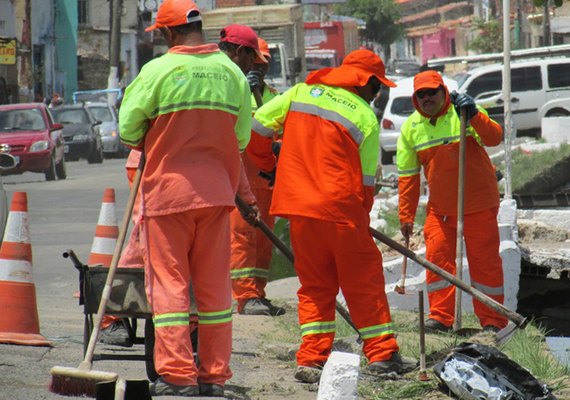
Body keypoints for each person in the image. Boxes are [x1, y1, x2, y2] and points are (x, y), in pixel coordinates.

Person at [247, 49, 417, 383]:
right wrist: (360, 218)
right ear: (365, 81)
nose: (378, 93)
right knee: (362, 283)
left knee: (314, 286)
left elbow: (256, 127)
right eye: (377, 86)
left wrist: (268, 166)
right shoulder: (365, 118)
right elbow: (367, 184)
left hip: (299, 209)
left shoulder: (300, 92)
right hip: (341, 211)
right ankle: (382, 354)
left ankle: (311, 358)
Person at [118, 0, 252, 396]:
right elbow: (240, 139)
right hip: (216, 196)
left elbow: (128, 131)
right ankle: (213, 376)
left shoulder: (157, 71)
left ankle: (178, 378)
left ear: (166, 32)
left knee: (170, 288)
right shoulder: (232, 73)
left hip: (168, 195)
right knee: (213, 291)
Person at [397, 70, 508, 333]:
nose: (426, 98)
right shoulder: (411, 128)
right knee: (436, 260)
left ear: (443, 91)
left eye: (431, 92)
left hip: (479, 202)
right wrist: (406, 216)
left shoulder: (464, 111)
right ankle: (440, 317)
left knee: (485, 265)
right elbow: (408, 177)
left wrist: (475, 116)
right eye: (420, 95)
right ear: (415, 99)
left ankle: (492, 321)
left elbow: (494, 138)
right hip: (440, 209)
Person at [228, 38, 285, 316]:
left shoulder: (274, 96)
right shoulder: (234, 92)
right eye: (256, 62)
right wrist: (244, 91)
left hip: (266, 178)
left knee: (264, 238)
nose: (259, 69)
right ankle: (245, 295)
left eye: (264, 64)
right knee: (242, 236)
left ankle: (258, 293)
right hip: (241, 177)